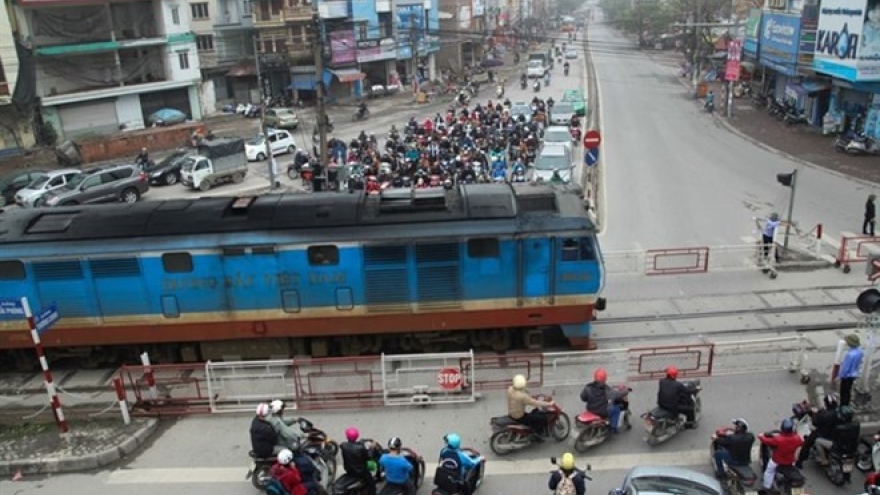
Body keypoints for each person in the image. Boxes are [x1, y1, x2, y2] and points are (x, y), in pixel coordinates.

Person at [759, 418, 804, 493]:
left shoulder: (778, 439)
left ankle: (767, 486)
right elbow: (802, 442)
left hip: (776, 461)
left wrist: (761, 436)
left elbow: (767, 441)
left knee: (769, 472)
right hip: (790, 461)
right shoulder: (797, 438)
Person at [796, 393, 840, 467]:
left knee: (806, 444)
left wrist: (815, 414)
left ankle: (800, 462)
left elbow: (815, 422)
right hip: (833, 434)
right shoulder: (837, 413)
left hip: (821, 434)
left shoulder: (823, 414)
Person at [508, 374, 555, 441]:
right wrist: (549, 404)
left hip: (512, 413)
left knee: (534, 412)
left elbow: (524, 393)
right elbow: (535, 403)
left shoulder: (510, 389)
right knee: (543, 418)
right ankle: (536, 434)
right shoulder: (522, 396)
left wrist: (531, 396)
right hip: (520, 417)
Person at [580, 368, 621, 433]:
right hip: (602, 413)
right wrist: (626, 391)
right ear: (604, 379)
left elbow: (583, 398)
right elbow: (615, 396)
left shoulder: (588, 387)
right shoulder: (607, 390)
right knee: (616, 409)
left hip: (590, 410)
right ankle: (613, 428)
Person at [341, 427, 376, 495]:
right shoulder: (361, 448)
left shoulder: (344, 445)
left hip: (348, 469)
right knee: (371, 484)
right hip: (361, 471)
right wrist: (372, 448)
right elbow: (369, 457)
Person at [839, 333, 864, 406]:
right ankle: (847, 404)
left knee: (843, 392)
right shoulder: (860, 351)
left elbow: (845, 369)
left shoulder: (850, 355)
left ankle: (843, 407)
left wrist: (840, 376)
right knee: (848, 391)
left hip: (847, 376)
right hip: (854, 374)